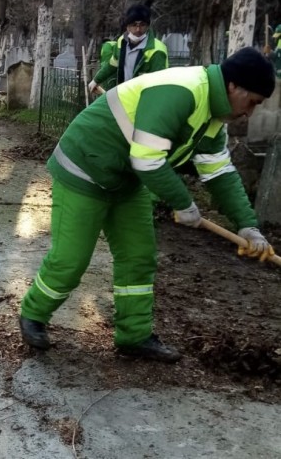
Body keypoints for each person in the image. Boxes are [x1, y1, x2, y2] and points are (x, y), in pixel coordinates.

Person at [20, 47, 277, 363]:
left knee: (139, 257)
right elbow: (147, 160)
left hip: (127, 179)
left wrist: (247, 225)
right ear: (234, 86)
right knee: (71, 259)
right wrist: (183, 203)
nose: (249, 113)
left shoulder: (213, 116)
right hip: (85, 167)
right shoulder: (182, 91)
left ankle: (134, 336)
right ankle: (33, 314)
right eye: (252, 102)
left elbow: (220, 173)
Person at [89, 0, 168, 94]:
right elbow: (112, 65)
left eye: (142, 25)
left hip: (143, 97)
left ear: (147, 26)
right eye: (134, 25)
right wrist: (96, 80)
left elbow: (158, 85)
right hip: (125, 93)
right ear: (127, 26)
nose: (138, 29)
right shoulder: (121, 42)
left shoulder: (156, 50)